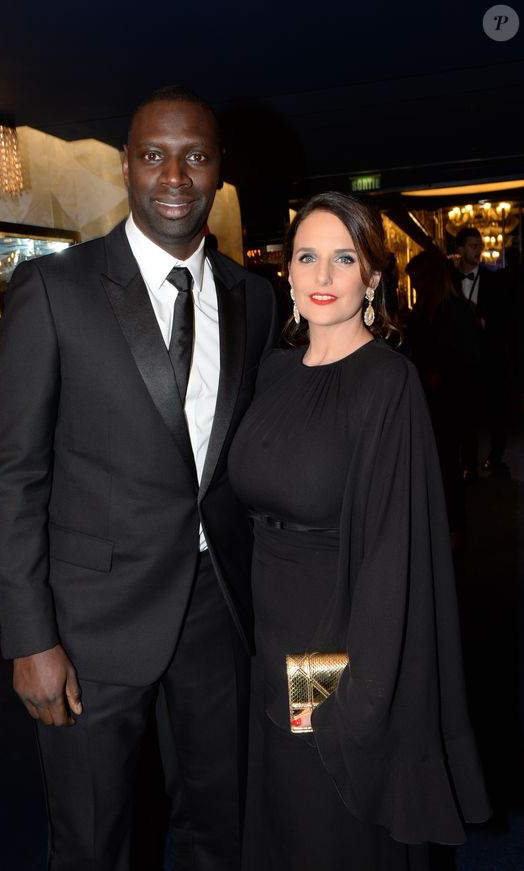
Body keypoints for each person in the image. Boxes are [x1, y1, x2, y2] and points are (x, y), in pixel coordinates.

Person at [0, 85, 277, 871]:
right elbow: (13, 472)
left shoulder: (257, 299)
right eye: (153, 155)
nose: (173, 175)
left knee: (227, 824)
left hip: (218, 609)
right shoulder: (53, 291)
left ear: (218, 171)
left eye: (195, 156)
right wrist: (30, 636)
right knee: (94, 838)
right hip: (89, 623)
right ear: (125, 166)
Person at [227, 192, 490, 870]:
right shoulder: (273, 371)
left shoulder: (386, 383)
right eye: (307, 257)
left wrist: (350, 697)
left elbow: (391, 559)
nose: (321, 276)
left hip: (331, 639)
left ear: (373, 277)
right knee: (281, 811)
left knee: (325, 819)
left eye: (343, 259)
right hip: (268, 629)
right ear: (285, 273)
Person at [405, 249, 480, 544]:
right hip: (426, 397)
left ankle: (453, 524)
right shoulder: (422, 310)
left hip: (450, 399)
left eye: (420, 281)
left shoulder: (455, 309)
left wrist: (443, 375)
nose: (416, 288)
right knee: (430, 461)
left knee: (447, 462)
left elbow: (470, 356)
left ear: (434, 278)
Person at [454, 226, 513, 477]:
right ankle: (469, 462)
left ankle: (496, 456)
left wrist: (484, 322)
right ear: (459, 249)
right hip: (462, 357)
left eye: (480, 245)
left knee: (495, 408)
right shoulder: (449, 280)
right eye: (473, 246)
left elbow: (504, 318)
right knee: (466, 411)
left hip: (489, 355)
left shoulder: (494, 279)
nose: (479, 250)